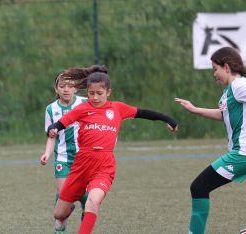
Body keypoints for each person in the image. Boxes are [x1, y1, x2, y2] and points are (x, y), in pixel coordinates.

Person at [46, 65, 178, 234]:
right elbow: (64, 121)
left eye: (99, 93)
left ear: (108, 92)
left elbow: (144, 112)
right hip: (81, 164)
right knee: (59, 214)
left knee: (92, 201)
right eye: (91, 93)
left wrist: (168, 119)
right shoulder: (82, 108)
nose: (94, 97)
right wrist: (54, 127)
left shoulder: (118, 108)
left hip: (104, 165)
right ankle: (67, 206)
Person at [175, 47, 246, 234]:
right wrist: (195, 110)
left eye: (215, 69)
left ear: (226, 67)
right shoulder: (229, 91)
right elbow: (224, 114)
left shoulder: (238, 85)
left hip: (245, 153)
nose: (214, 74)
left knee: (199, 186)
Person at [40, 71, 88, 233]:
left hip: (84, 158)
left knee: (85, 195)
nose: (66, 89)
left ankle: (85, 210)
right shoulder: (51, 109)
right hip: (63, 158)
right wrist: (47, 153)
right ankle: (60, 229)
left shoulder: (85, 103)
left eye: (70, 86)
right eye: (62, 86)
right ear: (56, 89)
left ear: (76, 89)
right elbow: (51, 135)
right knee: (64, 197)